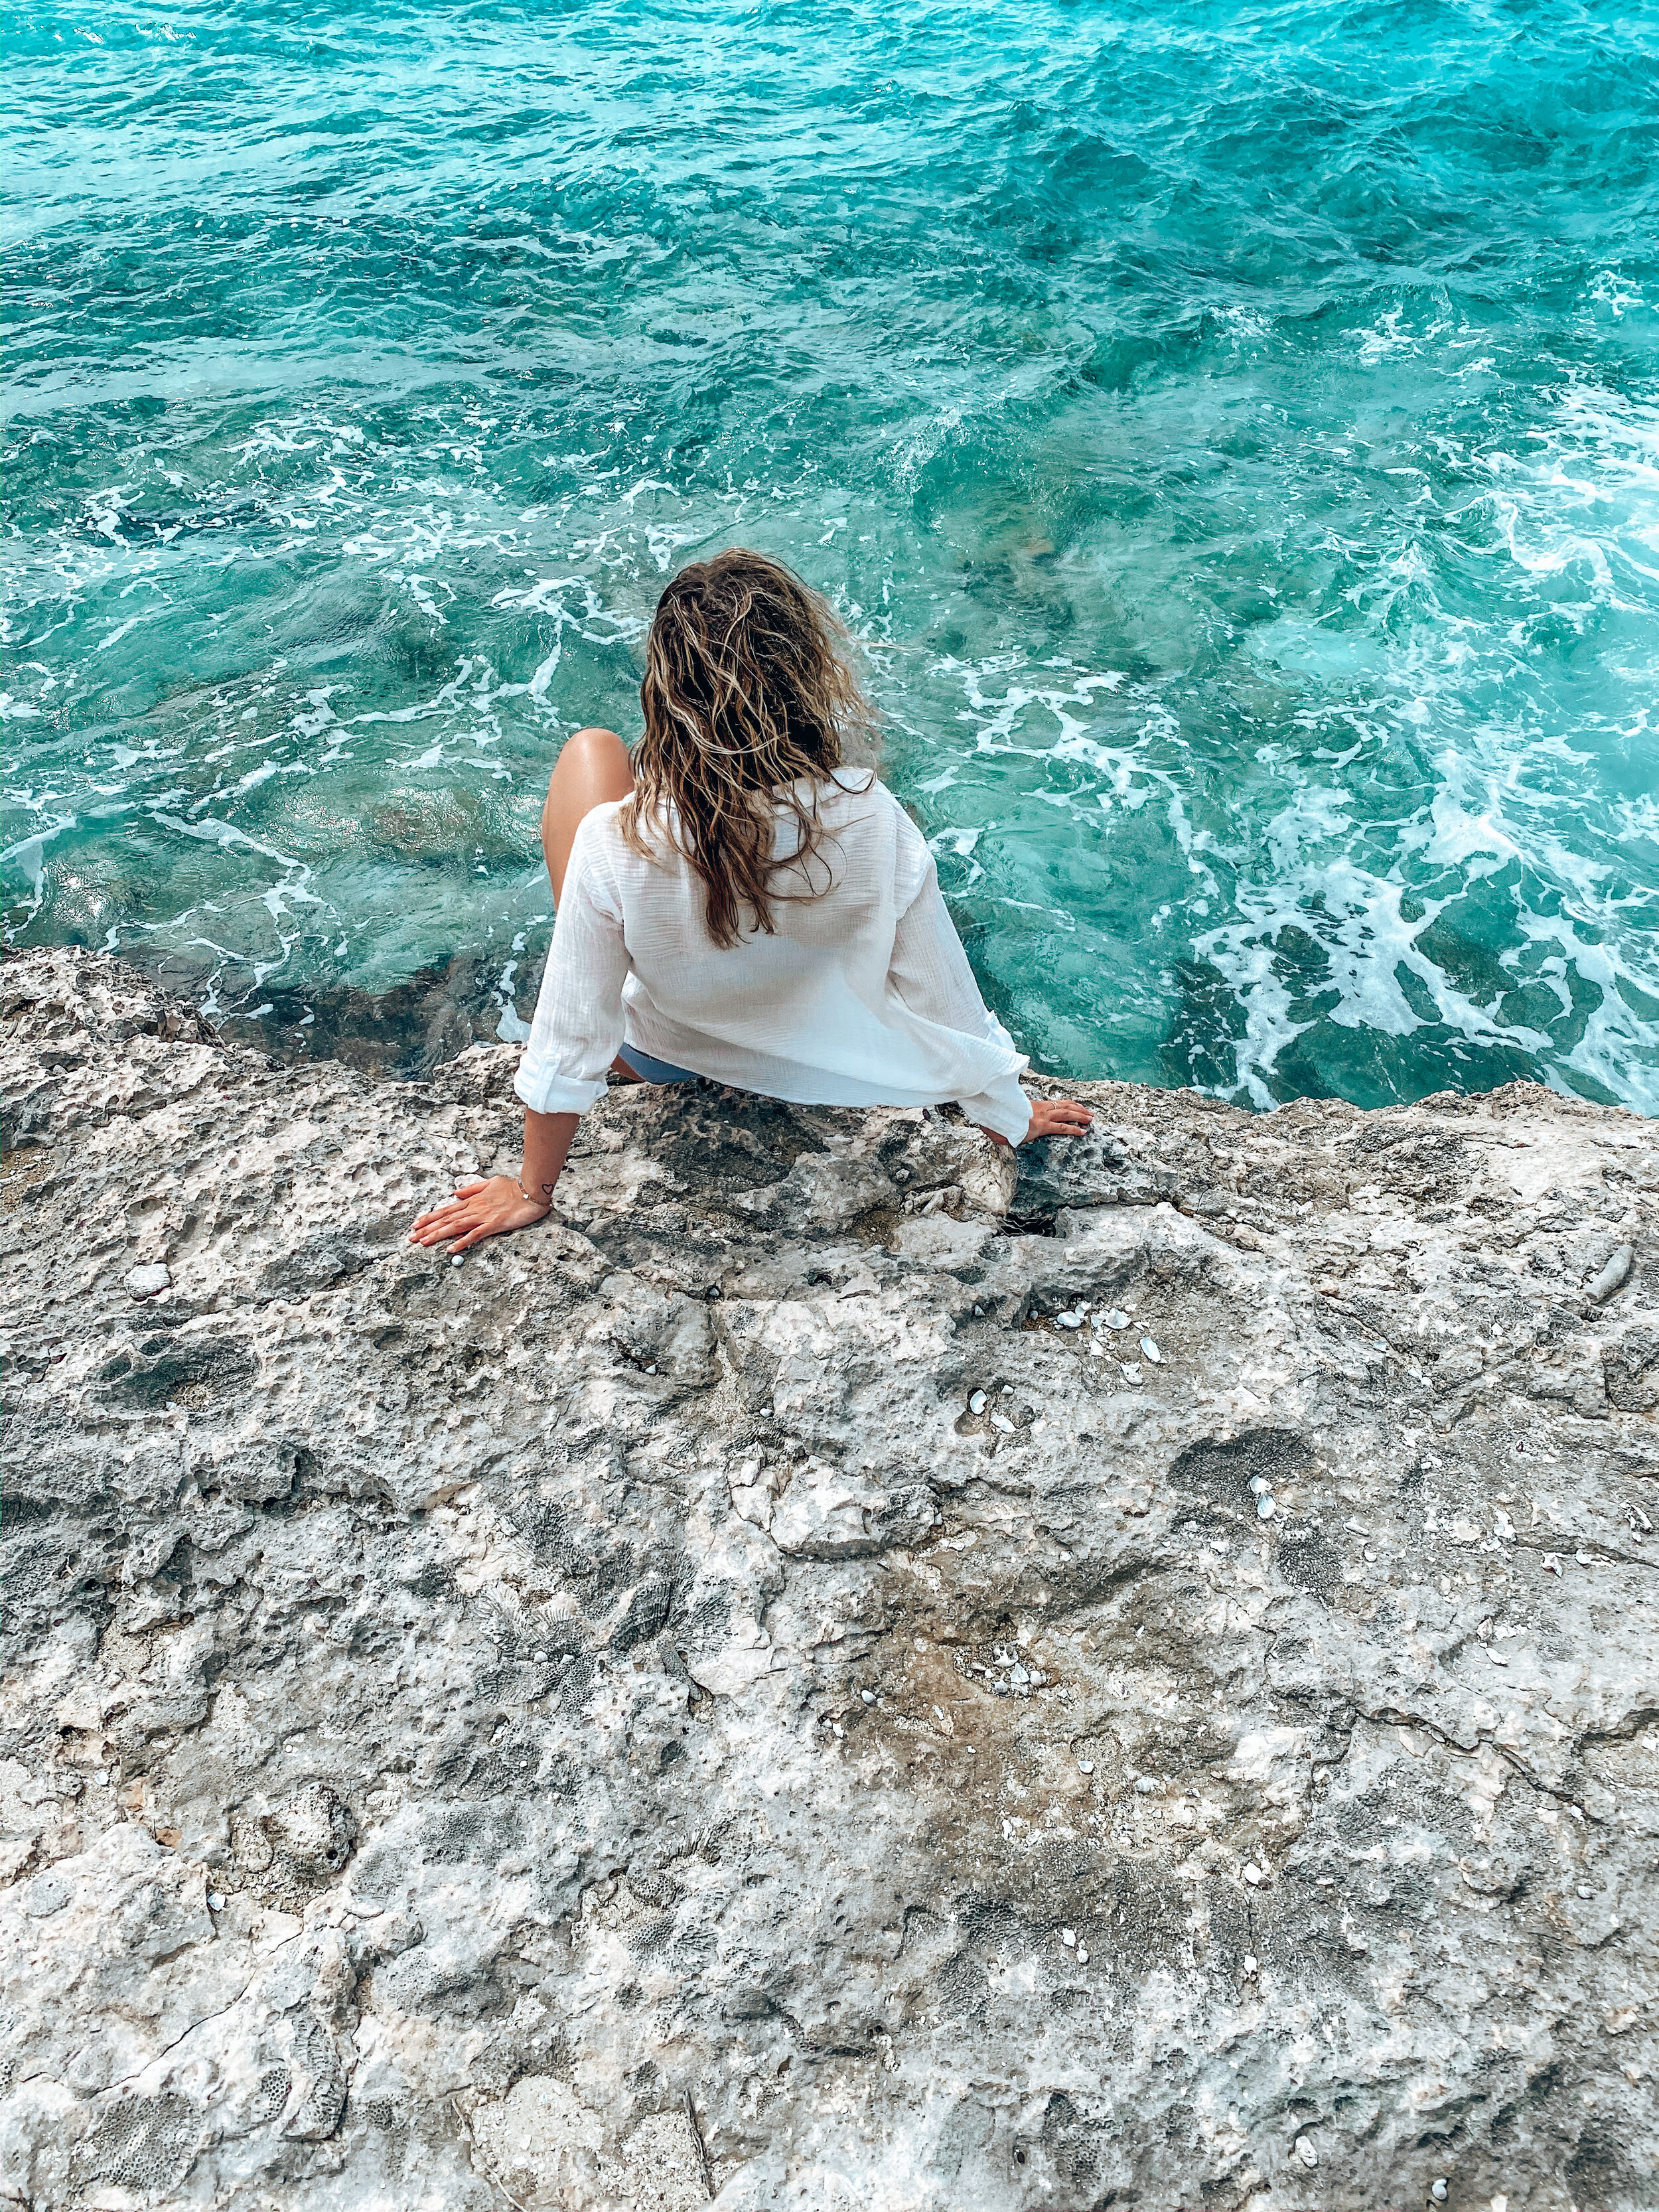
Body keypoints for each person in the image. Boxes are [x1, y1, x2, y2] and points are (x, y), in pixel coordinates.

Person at [410, 550, 1092, 1254]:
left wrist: (531, 1190)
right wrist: (1008, 1116)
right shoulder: (869, 810)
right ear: (803, 674)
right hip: (830, 1076)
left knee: (593, 752)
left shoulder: (618, 840)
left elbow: (572, 1035)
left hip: (660, 1059)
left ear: (666, 688)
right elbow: (944, 1001)